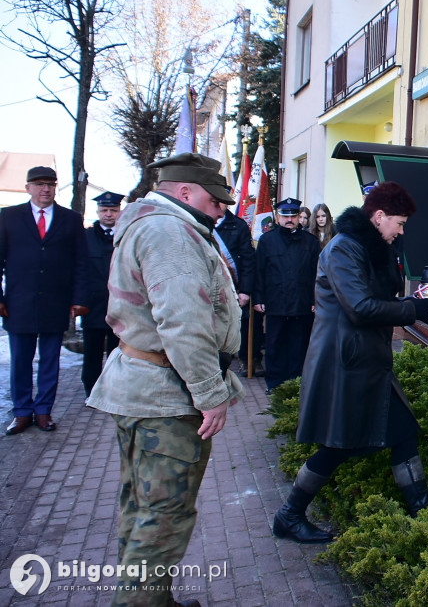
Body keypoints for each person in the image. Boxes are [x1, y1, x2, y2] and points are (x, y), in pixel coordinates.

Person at [86, 153, 244, 605]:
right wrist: (210, 394)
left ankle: (152, 599)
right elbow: (183, 322)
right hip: (165, 395)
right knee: (165, 515)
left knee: (142, 506)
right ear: (185, 192)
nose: (222, 210)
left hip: (146, 387)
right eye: (216, 201)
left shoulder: (155, 224)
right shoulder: (170, 233)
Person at [273, 181, 428, 544]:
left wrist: (412, 302)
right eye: (398, 223)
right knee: (338, 446)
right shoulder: (342, 249)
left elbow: (375, 298)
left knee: (402, 433)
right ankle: (289, 515)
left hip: (365, 361)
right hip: (345, 363)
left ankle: (425, 515)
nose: (400, 230)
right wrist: (412, 309)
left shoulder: (367, 247)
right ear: (378, 216)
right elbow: (361, 307)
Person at [0, 165, 89, 435]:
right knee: (20, 361)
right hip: (19, 303)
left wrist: (79, 299)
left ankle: (43, 411)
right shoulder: (8, 217)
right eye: (39, 184)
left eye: (50, 184)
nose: (45, 189)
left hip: (55, 302)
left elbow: (81, 263)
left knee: (50, 361)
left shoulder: (70, 219)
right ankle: (22, 412)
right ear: (28, 187)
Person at [253, 198, 320, 393]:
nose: (289, 219)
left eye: (293, 215)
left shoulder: (311, 242)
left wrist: (316, 299)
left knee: (299, 344)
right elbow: (260, 272)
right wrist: (258, 298)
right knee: (275, 344)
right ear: (277, 217)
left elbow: (317, 274)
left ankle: (296, 383)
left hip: (302, 302)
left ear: (300, 217)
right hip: (276, 301)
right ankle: (275, 384)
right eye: (285, 215)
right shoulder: (267, 240)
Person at [80, 191, 124, 397]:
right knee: (92, 352)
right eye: (104, 210)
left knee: (119, 352)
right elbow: (78, 270)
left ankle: (115, 390)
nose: (108, 214)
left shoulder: (127, 235)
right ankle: (92, 390)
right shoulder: (85, 237)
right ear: (97, 212)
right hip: (94, 304)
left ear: (119, 211)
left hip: (122, 305)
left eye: (113, 210)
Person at [215, 207, 264, 377]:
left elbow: (248, 261)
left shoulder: (238, 225)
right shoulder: (201, 223)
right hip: (214, 287)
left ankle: (250, 359)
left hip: (237, 286)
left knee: (247, 324)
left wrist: (245, 290)